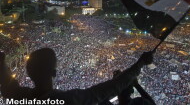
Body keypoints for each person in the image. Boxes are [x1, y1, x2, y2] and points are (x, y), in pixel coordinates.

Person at [0, 48, 154, 105]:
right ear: (54, 73)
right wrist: (140, 63)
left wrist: (1, 63)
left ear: (29, 73)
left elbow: (8, 86)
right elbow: (108, 89)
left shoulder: (21, 97)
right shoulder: (68, 100)